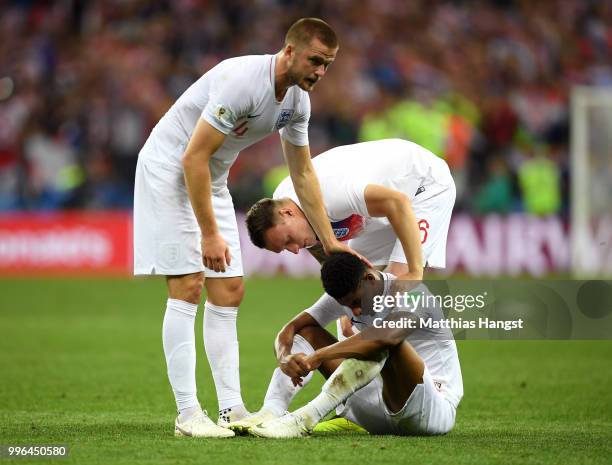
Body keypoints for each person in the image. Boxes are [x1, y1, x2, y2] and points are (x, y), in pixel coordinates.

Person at [133, 18, 358, 438]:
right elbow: (191, 158)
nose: (320, 72)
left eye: (327, 65)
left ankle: (232, 409)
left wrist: (330, 244)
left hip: (210, 179)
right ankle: (187, 415)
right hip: (170, 170)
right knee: (188, 285)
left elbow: (304, 174)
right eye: (315, 60)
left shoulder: (298, 102)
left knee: (230, 289)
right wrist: (209, 234)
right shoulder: (242, 82)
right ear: (289, 51)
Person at [244, 253, 464, 437]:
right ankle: (272, 410)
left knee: (386, 340)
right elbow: (290, 328)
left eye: (357, 302)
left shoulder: (413, 293)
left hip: (429, 411)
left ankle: (304, 419)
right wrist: (284, 357)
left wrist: (318, 357)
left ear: (369, 278)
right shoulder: (349, 292)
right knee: (309, 331)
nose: (355, 311)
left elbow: (384, 338)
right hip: (375, 413)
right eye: (348, 306)